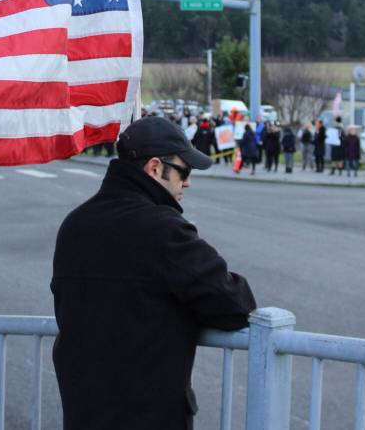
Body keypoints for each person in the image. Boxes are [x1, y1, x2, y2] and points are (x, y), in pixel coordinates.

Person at [51, 116, 256, 430]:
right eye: (183, 171)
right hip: (149, 414)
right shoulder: (164, 229)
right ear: (155, 168)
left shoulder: (73, 225)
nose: (187, 182)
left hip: (83, 413)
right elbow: (235, 304)